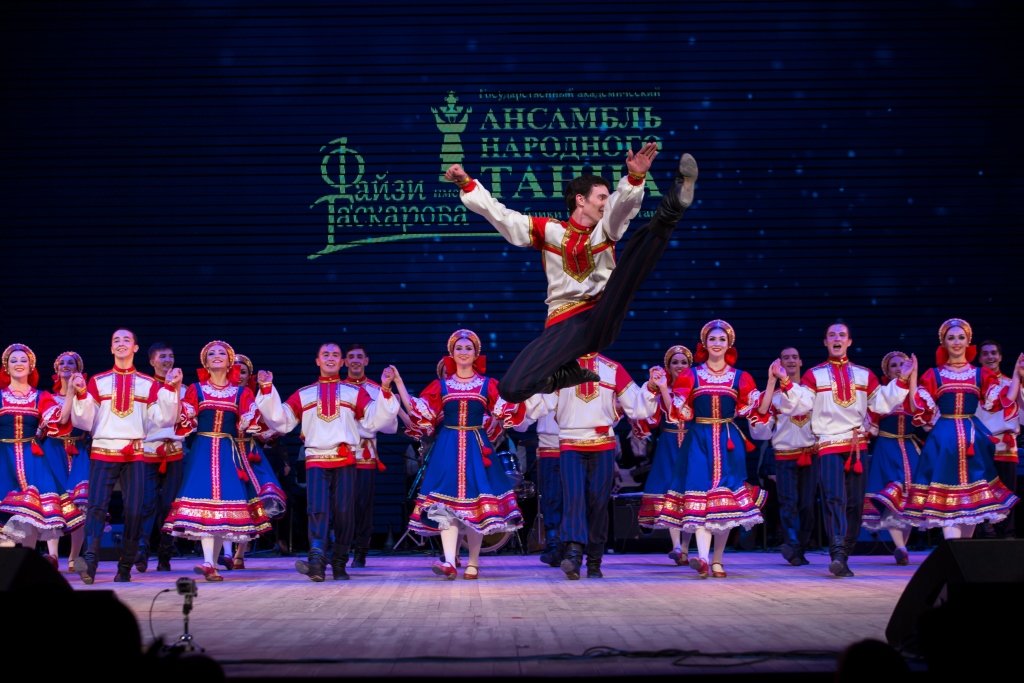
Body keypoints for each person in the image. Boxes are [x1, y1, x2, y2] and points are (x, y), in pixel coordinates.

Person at [446, 144, 698, 403]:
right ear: (580, 199)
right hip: (564, 325)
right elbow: (502, 217)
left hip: (602, 311)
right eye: (601, 197)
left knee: (629, 268)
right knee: (510, 388)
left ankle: (673, 207)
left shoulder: (606, 229)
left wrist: (635, 178)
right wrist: (467, 184)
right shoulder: (549, 230)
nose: (606, 204)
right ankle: (564, 375)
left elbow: (620, 209)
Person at [775, 321, 916, 577]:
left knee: (854, 503)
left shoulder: (864, 374)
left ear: (849, 341)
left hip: (856, 444)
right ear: (826, 342)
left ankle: (845, 552)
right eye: (832, 335)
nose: (837, 338)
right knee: (834, 499)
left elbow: (882, 402)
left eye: (842, 335)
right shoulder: (814, 375)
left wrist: (904, 378)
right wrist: (785, 380)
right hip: (829, 444)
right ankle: (837, 552)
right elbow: (801, 403)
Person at [255, 342, 399, 581]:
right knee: (317, 510)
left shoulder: (354, 393)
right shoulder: (305, 394)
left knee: (344, 513)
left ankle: (340, 562)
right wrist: (267, 389)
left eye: (335, 355)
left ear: (342, 362)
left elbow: (376, 419)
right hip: (316, 459)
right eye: (325, 354)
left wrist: (384, 388)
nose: (330, 358)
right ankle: (317, 561)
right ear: (317, 361)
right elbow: (282, 420)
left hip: (345, 460)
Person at [517, 354, 662, 580]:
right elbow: (540, 406)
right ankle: (574, 555)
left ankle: (595, 559)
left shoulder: (613, 368)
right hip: (570, 443)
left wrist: (652, 386)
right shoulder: (560, 367)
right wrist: (525, 388)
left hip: (603, 443)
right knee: (573, 499)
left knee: (599, 501)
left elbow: (638, 409)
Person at [405, 330, 524, 580]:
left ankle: (473, 562)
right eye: (458, 348)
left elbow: (505, 407)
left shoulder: (487, 384)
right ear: (451, 353)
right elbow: (423, 410)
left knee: (476, 506)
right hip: (447, 447)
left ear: (476, 354)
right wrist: (398, 384)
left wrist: (524, 388)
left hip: (476, 447)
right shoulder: (441, 386)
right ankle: (449, 561)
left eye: (468, 348)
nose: (463, 352)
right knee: (445, 504)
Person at [654, 321, 768, 579]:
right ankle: (703, 559)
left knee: (723, 500)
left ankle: (717, 560)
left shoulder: (740, 377)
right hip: (699, 439)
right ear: (704, 344)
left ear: (729, 344)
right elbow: (679, 411)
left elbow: (756, 409)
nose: (717, 343)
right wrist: (662, 387)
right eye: (712, 339)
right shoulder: (691, 375)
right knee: (699, 495)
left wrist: (772, 382)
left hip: (727, 441)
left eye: (721, 339)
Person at [69, 329, 182, 584]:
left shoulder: (147, 383)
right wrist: (81, 393)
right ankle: (90, 561)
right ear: (111, 348)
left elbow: (163, 418)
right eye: (116, 341)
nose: (121, 344)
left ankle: (126, 565)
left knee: (134, 509)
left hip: (135, 452)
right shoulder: (98, 381)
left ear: (135, 348)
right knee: (96, 506)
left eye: (126, 340)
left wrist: (170, 389)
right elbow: (85, 420)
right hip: (103, 449)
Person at [162, 341, 272, 581]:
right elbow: (181, 418)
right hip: (202, 450)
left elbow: (254, 418)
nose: (216, 356)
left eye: (222, 352)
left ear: (230, 361)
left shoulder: (240, 392)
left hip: (227, 451)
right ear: (205, 362)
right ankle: (208, 562)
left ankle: (211, 563)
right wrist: (176, 389)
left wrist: (249, 418)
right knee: (205, 503)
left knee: (222, 508)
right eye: (211, 353)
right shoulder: (196, 389)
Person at [904, 319, 1020, 537]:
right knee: (947, 499)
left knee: (971, 507)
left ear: (968, 342)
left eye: (961, 337)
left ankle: (960, 554)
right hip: (944, 441)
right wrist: (912, 378)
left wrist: (1016, 374)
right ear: (944, 343)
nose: (956, 342)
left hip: (972, 441)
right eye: (951, 338)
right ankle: (953, 548)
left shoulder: (980, 374)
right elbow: (917, 408)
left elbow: (1001, 402)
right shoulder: (934, 374)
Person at [0, 344, 84, 556]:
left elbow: (61, 419)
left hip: (32, 460)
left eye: (23, 360)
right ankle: (6, 563)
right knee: (6, 515)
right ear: (6, 367)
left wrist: (71, 391)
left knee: (31, 513)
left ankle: (27, 561)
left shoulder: (40, 396)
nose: (19, 364)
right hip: (3, 458)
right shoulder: (0, 396)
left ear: (31, 367)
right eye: (13, 361)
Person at [748, 347, 818, 567]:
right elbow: (762, 425)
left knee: (807, 505)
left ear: (801, 362)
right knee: (788, 504)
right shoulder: (774, 397)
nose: (791, 360)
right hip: (785, 456)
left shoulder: (811, 393)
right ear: (779, 364)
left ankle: (801, 546)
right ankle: (793, 546)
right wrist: (770, 384)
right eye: (786, 358)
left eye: (794, 357)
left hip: (810, 454)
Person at [222, 353, 287, 569]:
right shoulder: (220, 395)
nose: (239, 375)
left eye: (243, 372)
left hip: (248, 454)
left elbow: (269, 427)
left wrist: (266, 432)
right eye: (235, 371)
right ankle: (226, 552)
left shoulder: (254, 397)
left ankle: (239, 553)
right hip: (225, 452)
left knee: (250, 502)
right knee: (226, 501)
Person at [341, 344, 400, 568]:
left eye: (359, 357)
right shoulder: (337, 389)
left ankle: (360, 551)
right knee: (341, 504)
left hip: (364, 453)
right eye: (351, 357)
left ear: (366, 361)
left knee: (363, 505)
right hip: (340, 452)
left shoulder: (378, 390)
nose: (355, 360)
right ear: (345, 362)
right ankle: (341, 550)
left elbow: (390, 426)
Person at [637, 345, 696, 565]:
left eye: (684, 362)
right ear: (668, 366)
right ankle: (677, 546)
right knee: (669, 491)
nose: (679, 366)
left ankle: (686, 548)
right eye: (675, 362)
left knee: (690, 493)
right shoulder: (663, 390)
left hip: (692, 443)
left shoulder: (696, 389)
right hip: (669, 444)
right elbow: (650, 418)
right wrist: (657, 386)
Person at [860, 351, 921, 565]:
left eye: (901, 364)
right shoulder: (882, 394)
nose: (898, 368)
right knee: (892, 493)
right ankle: (900, 547)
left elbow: (924, 417)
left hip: (910, 447)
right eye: (893, 365)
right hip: (887, 448)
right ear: (886, 371)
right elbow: (870, 423)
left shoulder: (917, 393)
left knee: (910, 498)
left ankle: (902, 547)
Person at [136, 342, 188, 572]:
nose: (168, 360)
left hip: (174, 451)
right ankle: (142, 550)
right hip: (149, 450)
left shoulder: (184, 388)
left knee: (169, 506)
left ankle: (165, 554)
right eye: (162, 356)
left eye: (171, 356)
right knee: (147, 503)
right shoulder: (144, 387)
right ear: (152, 361)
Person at [44, 351, 92, 571]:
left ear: (78, 369)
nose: (65, 365)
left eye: (71, 363)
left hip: (79, 450)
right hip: (53, 450)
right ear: (56, 369)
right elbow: (57, 422)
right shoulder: (47, 397)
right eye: (61, 363)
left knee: (79, 504)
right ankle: (53, 555)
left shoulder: (86, 396)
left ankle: (73, 558)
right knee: (53, 502)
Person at [975, 339, 1021, 537]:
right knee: (980, 493)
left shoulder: (1012, 384)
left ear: (1000, 357)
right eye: (985, 353)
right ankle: (983, 535)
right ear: (979, 358)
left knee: (1007, 493)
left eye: (993, 352)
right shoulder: (973, 384)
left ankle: (1006, 536)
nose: (990, 357)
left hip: (1005, 445)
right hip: (979, 445)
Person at [511, 395, 563, 566]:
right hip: (550, 445)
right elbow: (521, 425)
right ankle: (554, 545)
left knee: (577, 497)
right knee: (552, 497)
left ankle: (574, 545)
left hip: (580, 443)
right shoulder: (544, 383)